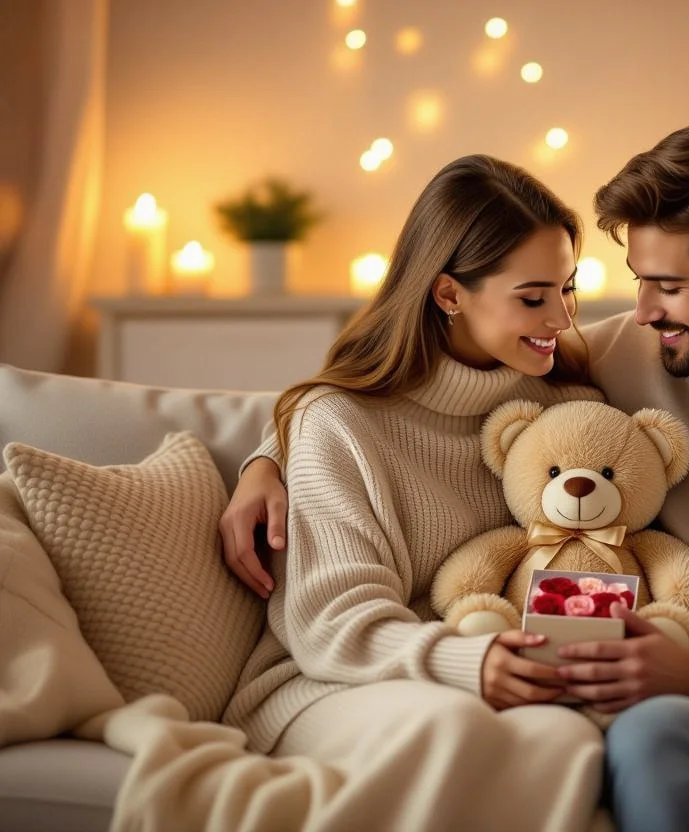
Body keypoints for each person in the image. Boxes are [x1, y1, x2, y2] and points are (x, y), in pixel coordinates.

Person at [223, 122, 689, 832]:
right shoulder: (637, 350)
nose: (639, 310)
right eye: (635, 280)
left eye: (667, 284)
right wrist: (271, 454)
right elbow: (390, 388)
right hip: (688, 696)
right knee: (653, 740)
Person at [218, 154, 606, 831]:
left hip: (505, 673)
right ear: (450, 292)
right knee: (453, 726)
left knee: (570, 742)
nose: (562, 316)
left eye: (569, 288)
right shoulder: (340, 421)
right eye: (534, 296)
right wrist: (466, 661)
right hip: (333, 683)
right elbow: (331, 622)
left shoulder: (566, 408)